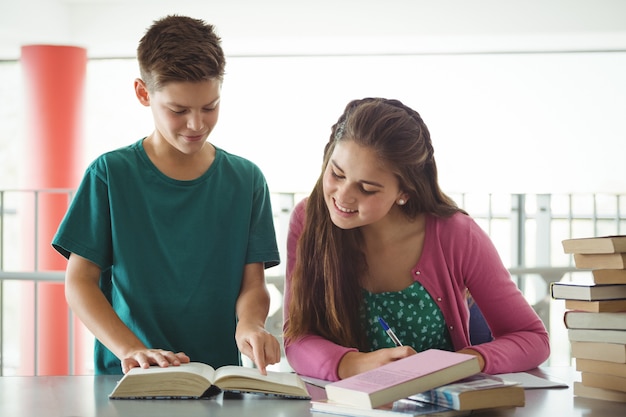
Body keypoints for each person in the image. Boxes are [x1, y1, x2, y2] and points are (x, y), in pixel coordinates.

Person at [52, 15, 281, 375]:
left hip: (216, 381)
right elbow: (79, 281)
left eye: (209, 107)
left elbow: (253, 284)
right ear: (144, 93)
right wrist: (131, 349)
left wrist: (250, 324)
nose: (197, 124)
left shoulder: (247, 180)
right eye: (178, 110)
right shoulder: (109, 174)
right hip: (128, 379)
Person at [283, 97, 550, 381]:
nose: (343, 196)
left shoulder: (457, 234)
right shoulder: (308, 220)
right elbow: (297, 337)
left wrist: (460, 362)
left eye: (367, 189)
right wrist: (353, 364)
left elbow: (532, 338)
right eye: (336, 173)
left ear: (404, 192)